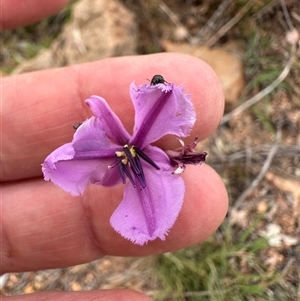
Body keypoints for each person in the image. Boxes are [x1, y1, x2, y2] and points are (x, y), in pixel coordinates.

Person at [0, 0, 228, 300]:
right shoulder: (117, 148)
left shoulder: (158, 109)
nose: (128, 154)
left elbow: (163, 94)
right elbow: (60, 162)